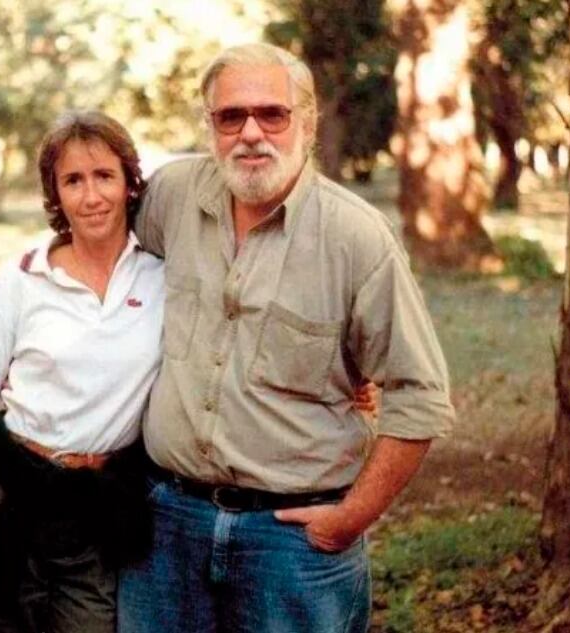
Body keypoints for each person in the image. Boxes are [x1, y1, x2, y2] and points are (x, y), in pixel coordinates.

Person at [117, 43, 456, 633]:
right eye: (231, 117)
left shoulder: (357, 238)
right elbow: (94, 246)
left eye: (272, 114)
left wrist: (352, 516)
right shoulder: (171, 197)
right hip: (165, 528)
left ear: (308, 121)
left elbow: (420, 394)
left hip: (292, 547)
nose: (251, 132)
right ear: (211, 125)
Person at [0, 110, 165, 633]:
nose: (91, 195)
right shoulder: (22, 278)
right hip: (6, 496)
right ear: (55, 194)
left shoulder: (162, 278)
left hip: (96, 510)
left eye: (104, 175)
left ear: (129, 182)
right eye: (72, 180)